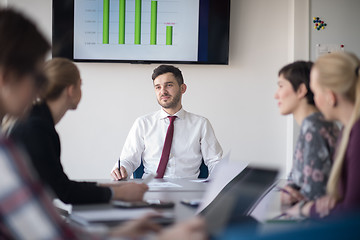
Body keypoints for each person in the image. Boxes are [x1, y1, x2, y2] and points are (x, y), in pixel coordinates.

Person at [0, 8, 207, 239]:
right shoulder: (21, 138)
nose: (40, 90)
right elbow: (53, 228)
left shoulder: (201, 124)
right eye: (37, 78)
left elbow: (53, 217)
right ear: (6, 76)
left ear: (182, 88)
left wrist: (119, 231)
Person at [10, 57, 148, 205]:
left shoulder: (36, 122)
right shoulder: (37, 129)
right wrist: (118, 192)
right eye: (80, 85)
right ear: (71, 90)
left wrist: (110, 187)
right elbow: (64, 191)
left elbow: (60, 185)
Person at [111, 64, 223, 180]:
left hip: (187, 192)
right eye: (158, 87)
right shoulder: (143, 123)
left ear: (182, 88)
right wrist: (121, 169)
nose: (163, 91)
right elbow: (128, 160)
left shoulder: (201, 124)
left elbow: (215, 162)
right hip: (150, 191)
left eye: (169, 85)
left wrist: (222, 181)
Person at [286, 52, 360, 219]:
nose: (314, 99)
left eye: (315, 92)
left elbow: (352, 214)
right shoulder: (347, 131)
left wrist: (306, 209)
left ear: (330, 97)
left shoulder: (357, 135)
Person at [274, 61, 339, 205]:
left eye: (280, 86)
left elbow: (315, 196)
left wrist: (290, 196)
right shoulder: (312, 124)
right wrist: (289, 191)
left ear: (301, 90)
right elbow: (297, 181)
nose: (275, 95)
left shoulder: (314, 128)